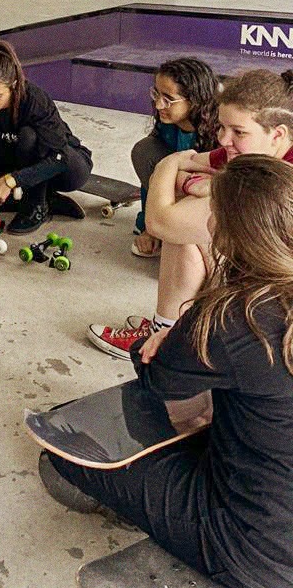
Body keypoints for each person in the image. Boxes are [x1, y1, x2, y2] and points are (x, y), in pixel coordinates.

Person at [44, 154, 293, 588]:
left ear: (224, 229)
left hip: (255, 552)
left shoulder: (235, 317)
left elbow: (158, 380)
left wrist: (156, 340)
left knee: (66, 449)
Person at [89, 68, 293, 359]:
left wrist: (165, 167)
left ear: (278, 134)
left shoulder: (279, 178)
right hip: (263, 282)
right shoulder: (251, 153)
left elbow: (160, 221)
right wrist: (195, 182)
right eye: (222, 127)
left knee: (180, 228)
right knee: (185, 229)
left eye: (238, 132)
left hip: (277, 315)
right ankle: (171, 328)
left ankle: (170, 341)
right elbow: (190, 164)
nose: (223, 139)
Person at [0, 41, 93, 234]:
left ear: (13, 85)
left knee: (28, 136)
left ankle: (36, 205)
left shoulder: (35, 100)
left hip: (63, 166)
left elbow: (60, 157)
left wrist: (10, 181)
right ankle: (46, 200)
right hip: (14, 168)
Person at [130, 58, 219, 257]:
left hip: (206, 202)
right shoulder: (166, 125)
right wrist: (149, 226)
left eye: (168, 99)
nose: (159, 104)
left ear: (195, 100)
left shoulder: (221, 132)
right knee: (144, 151)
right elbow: (153, 181)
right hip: (176, 194)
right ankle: (159, 226)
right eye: (156, 94)